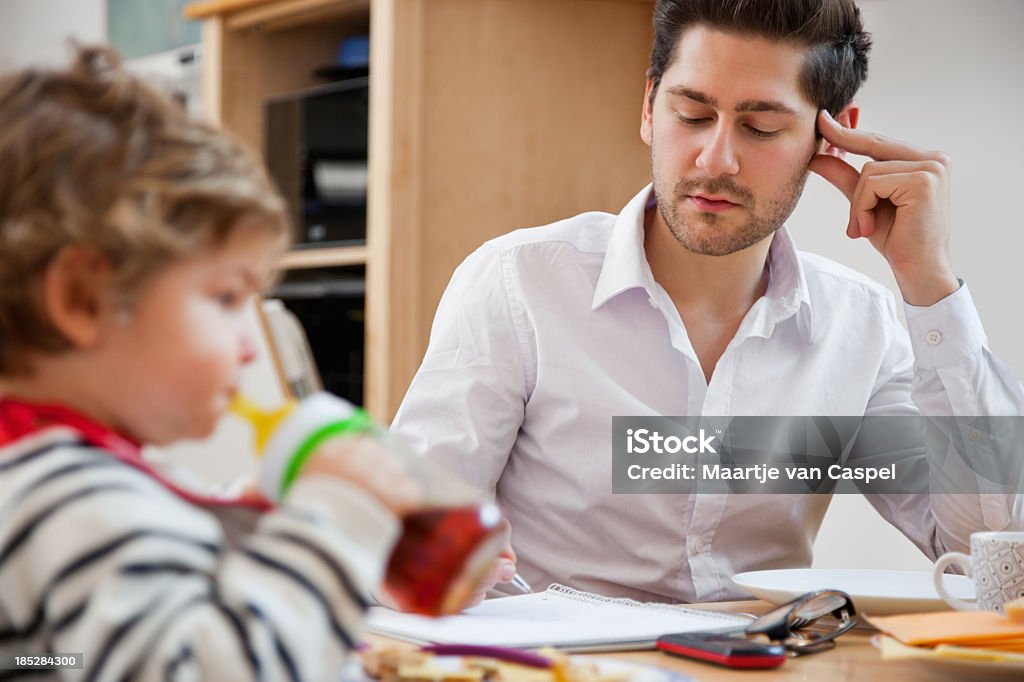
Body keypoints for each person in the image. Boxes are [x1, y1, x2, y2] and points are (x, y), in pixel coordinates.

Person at [391, 0, 1024, 603]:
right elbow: (400, 544)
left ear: (832, 137)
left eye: (761, 127)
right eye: (692, 115)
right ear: (648, 107)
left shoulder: (859, 325)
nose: (714, 158)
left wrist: (930, 285)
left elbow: (989, 558)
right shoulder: (518, 284)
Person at [0, 46, 421, 679]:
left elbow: (71, 651)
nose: (250, 344)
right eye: (225, 298)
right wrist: (336, 516)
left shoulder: (45, 478)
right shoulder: (71, 495)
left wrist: (235, 522)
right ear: (84, 298)